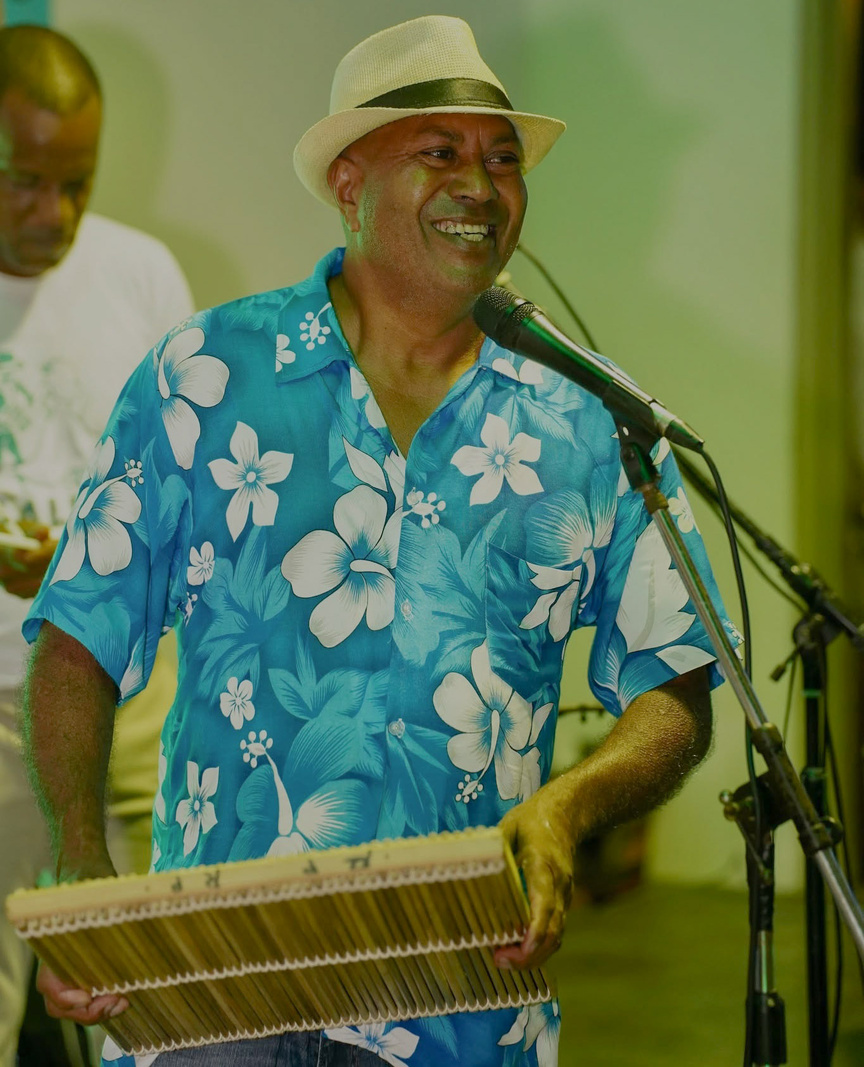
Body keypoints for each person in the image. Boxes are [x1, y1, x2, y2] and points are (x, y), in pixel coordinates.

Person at [22, 16, 736, 1067]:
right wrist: (81, 859)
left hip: (459, 991)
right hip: (223, 985)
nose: (480, 185)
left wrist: (566, 808)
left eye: (501, 159)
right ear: (350, 183)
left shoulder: (584, 419)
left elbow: (674, 681)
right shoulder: (206, 377)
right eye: (439, 153)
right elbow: (81, 632)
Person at [0, 24, 193, 1067]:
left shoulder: (142, 275)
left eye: (76, 183)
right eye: (25, 182)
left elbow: (193, 482)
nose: (55, 214)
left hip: (130, 686)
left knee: (160, 991)